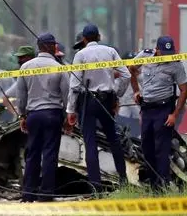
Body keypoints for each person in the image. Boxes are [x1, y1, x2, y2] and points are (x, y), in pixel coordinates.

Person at [66, 24, 130, 188]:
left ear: (84, 39)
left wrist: (71, 110)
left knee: (90, 142)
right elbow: (126, 75)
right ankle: (123, 180)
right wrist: (116, 93)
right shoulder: (110, 51)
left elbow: (74, 86)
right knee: (114, 140)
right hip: (107, 100)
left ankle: (96, 185)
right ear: (99, 37)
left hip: (88, 102)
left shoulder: (80, 55)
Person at [15, 33, 70, 202]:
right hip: (53, 114)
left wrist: (22, 115)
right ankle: (46, 194)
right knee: (50, 154)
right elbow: (66, 94)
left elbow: (21, 95)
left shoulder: (25, 67)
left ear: (38, 47)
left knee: (32, 153)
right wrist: (68, 116)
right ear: (53, 47)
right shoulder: (58, 67)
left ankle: (28, 193)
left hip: (33, 115)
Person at [130, 36, 187, 190]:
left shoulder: (176, 65)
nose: (167, 55)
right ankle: (153, 184)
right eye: (164, 52)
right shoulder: (145, 55)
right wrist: (136, 91)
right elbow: (132, 69)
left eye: (170, 52)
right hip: (147, 109)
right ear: (156, 50)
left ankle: (163, 185)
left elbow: (184, 90)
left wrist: (174, 114)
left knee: (161, 149)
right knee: (147, 148)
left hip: (164, 110)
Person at [117, 49, 154, 138]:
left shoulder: (141, 76)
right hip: (124, 106)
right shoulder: (119, 77)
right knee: (120, 121)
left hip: (137, 105)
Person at [3, 46, 36, 116]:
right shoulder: (22, 77)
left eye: (21, 57)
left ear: (29, 58)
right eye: (18, 58)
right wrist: (17, 114)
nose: (19, 60)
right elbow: (5, 98)